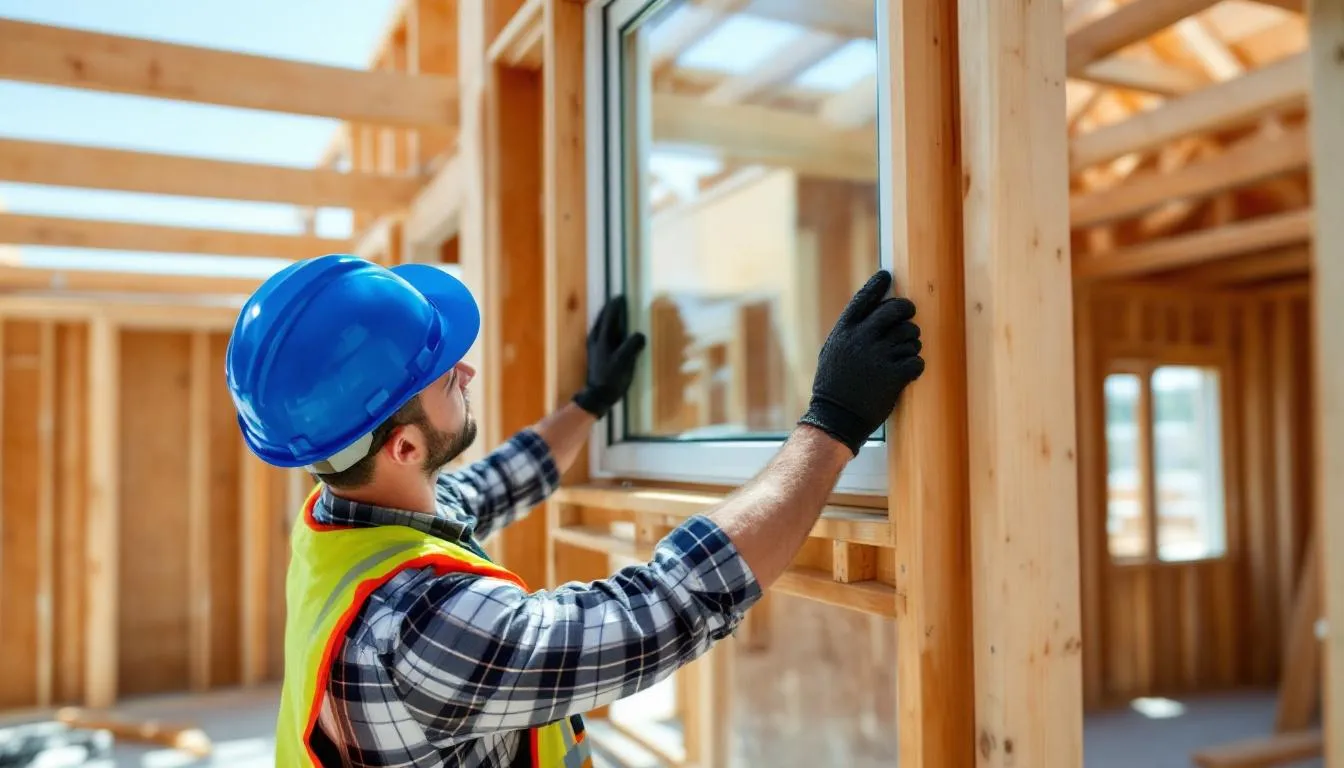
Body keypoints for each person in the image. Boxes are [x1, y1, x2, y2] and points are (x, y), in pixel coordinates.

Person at [224, 254, 923, 768]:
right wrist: (831, 427)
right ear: (405, 445)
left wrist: (591, 402)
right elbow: (661, 608)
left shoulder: (340, 518)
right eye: (443, 375)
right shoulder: (417, 626)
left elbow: (493, 483)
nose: (465, 370)